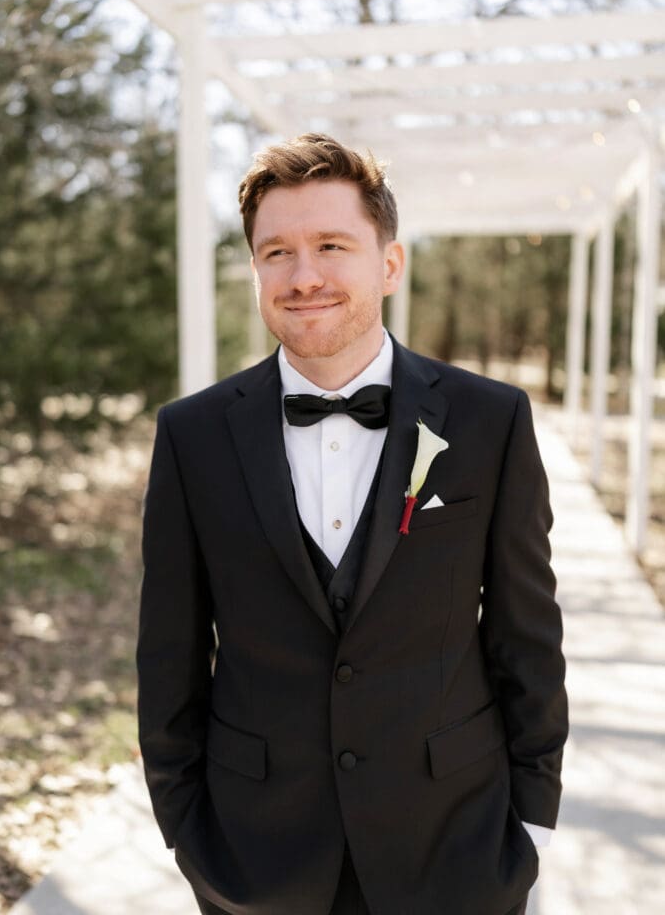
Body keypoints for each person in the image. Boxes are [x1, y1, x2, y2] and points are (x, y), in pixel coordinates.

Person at [137, 132, 568, 915]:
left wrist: (531, 823)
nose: (303, 277)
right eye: (276, 253)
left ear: (389, 265)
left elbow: (526, 633)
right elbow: (168, 650)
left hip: (455, 844)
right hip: (254, 855)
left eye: (331, 245)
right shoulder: (191, 436)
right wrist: (184, 828)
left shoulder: (488, 420)